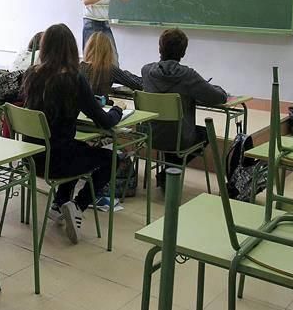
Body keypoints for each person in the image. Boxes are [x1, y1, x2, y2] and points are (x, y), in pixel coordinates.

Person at [20, 23, 123, 243]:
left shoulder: (31, 75)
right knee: (112, 158)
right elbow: (104, 122)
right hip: (58, 162)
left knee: (73, 146)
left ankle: (59, 204)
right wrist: (117, 110)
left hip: (31, 158)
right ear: (71, 48)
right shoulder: (75, 80)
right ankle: (77, 205)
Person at [141, 28, 228, 184]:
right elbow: (218, 97)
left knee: (168, 127)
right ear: (183, 53)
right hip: (179, 139)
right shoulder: (188, 76)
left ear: (160, 48)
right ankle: (171, 171)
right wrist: (219, 89)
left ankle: (168, 173)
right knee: (206, 133)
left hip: (150, 135)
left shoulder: (146, 71)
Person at [80, 32, 142, 98]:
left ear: (88, 48)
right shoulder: (110, 69)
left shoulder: (78, 67)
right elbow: (136, 86)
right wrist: (127, 74)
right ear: (108, 51)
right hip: (101, 106)